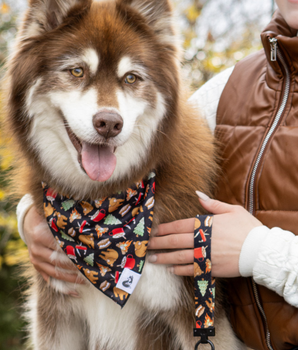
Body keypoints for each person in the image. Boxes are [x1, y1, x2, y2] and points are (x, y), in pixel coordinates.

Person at [17, 0, 298, 349]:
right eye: (76, 71)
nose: (109, 113)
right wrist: (31, 214)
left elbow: (206, 323)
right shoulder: (229, 89)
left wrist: (260, 251)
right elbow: (169, 136)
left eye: (131, 78)